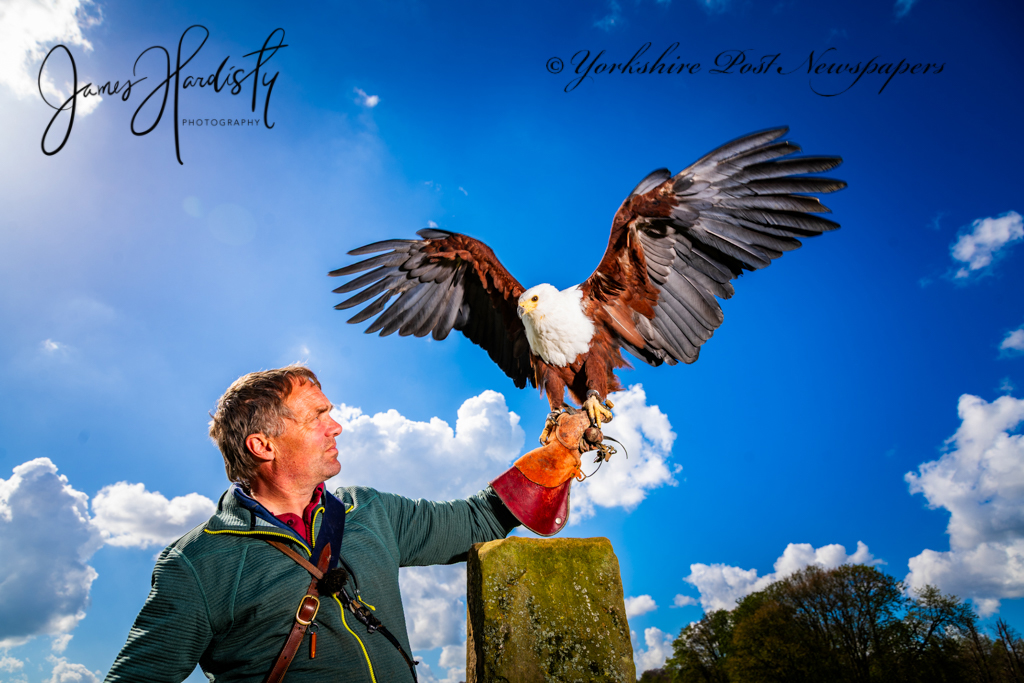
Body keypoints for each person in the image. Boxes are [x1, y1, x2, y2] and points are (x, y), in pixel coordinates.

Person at [104, 365, 588, 683]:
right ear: (263, 445)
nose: (335, 426)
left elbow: (477, 519)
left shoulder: (371, 512)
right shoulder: (198, 561)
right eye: (317, 417)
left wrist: (556, 457)